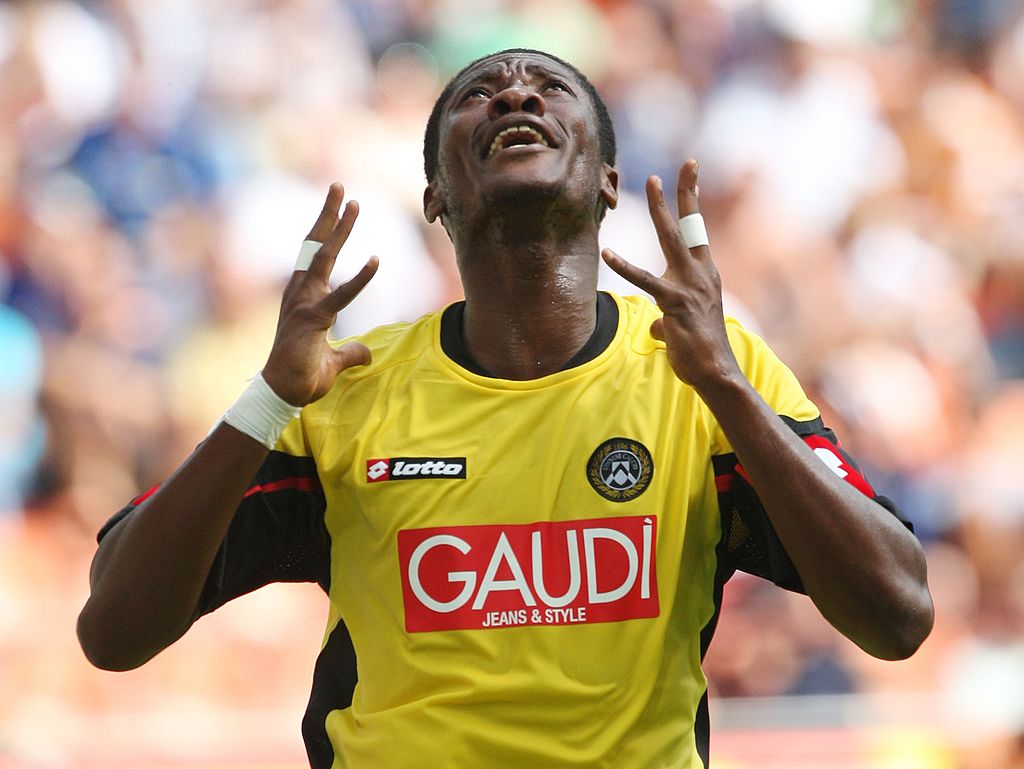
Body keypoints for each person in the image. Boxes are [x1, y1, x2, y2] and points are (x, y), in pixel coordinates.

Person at [77, 48, 934, 768]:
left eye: (549, 88)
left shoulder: (706, 368)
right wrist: (268, 398)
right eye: (477, 94)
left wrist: (728, 392)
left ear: (607, 183)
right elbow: (113, 630)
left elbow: (897, 614)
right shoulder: (344, 387)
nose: (516, 95)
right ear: (435, 197)